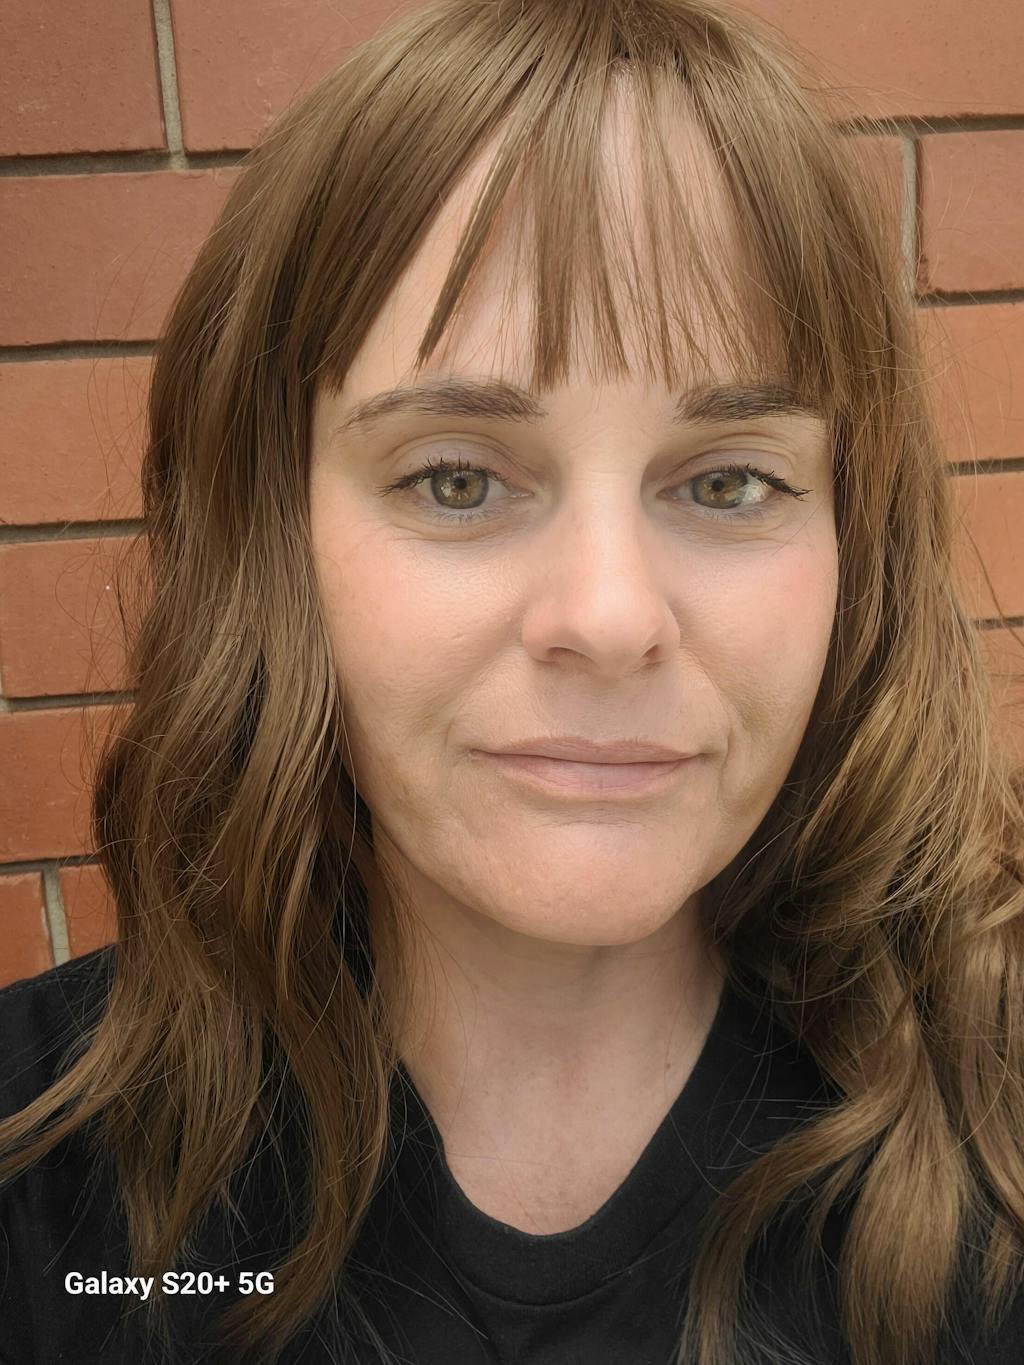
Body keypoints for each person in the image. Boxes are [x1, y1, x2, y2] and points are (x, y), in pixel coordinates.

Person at [2, 0, 1023, 1362]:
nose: (609, 617)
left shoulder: (995, 1134)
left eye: (729, 481)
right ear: (273, 536)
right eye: (456, 479)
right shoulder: (39, 1177)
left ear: (857, 549)